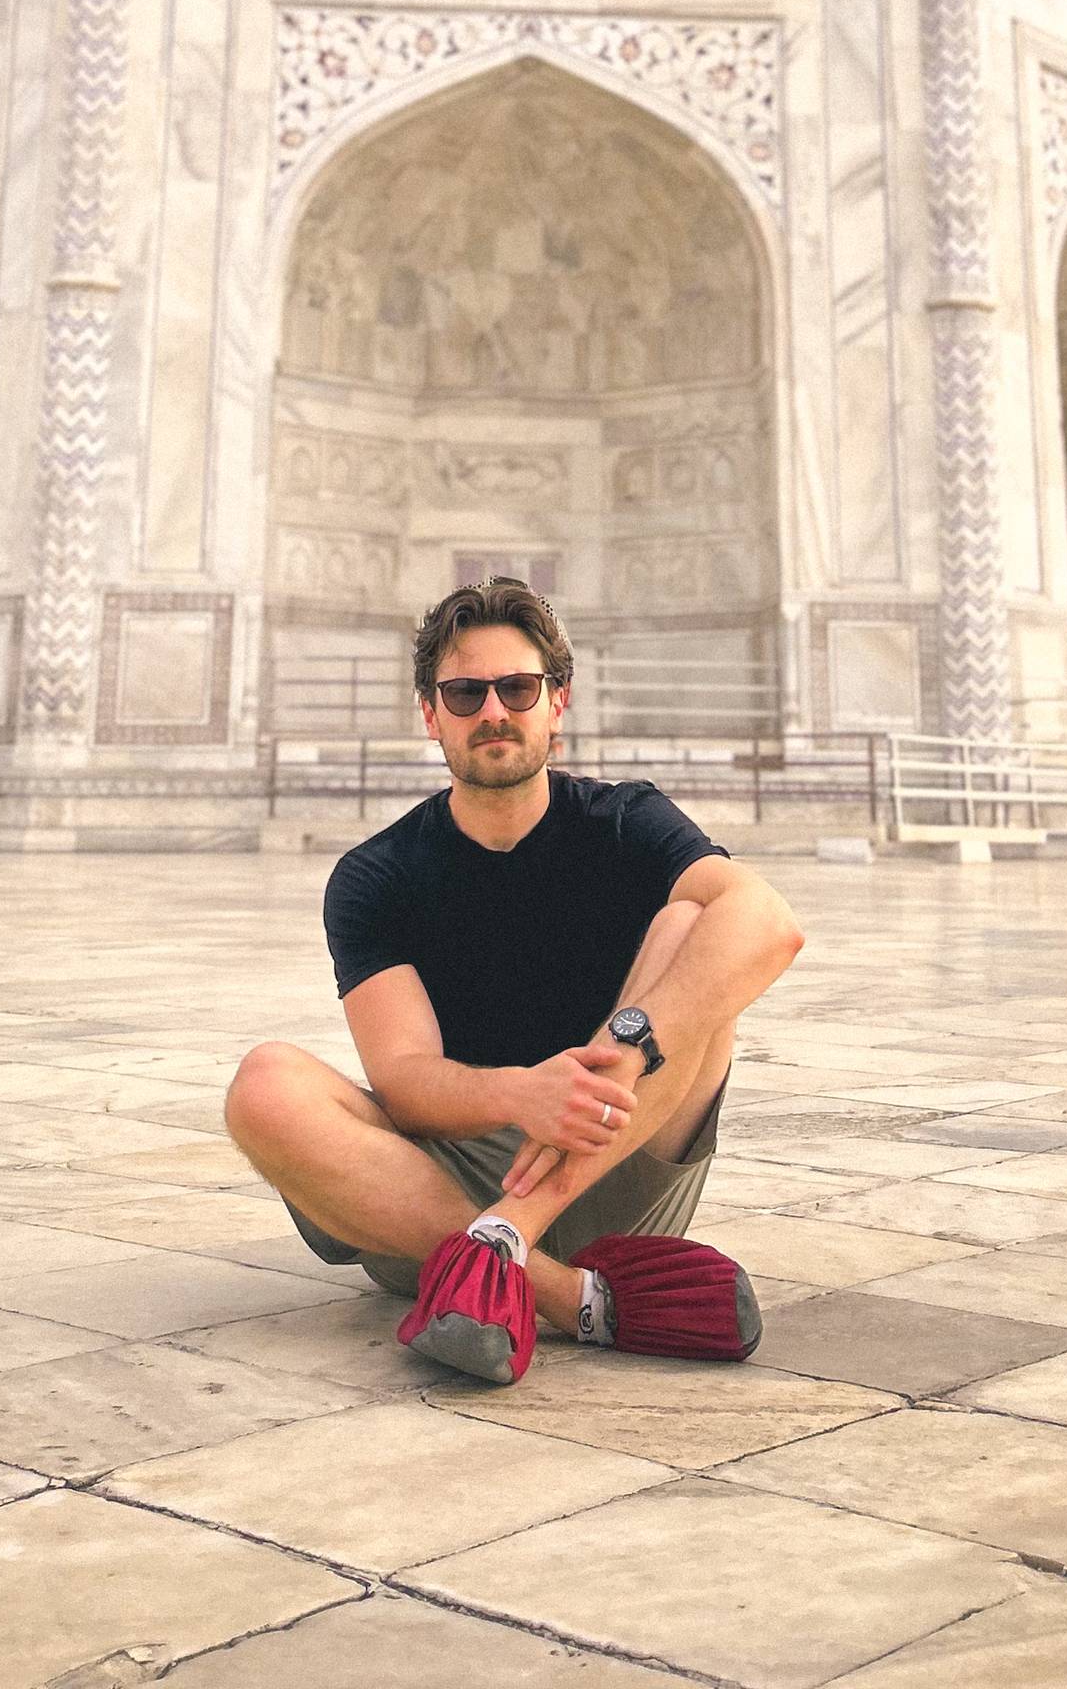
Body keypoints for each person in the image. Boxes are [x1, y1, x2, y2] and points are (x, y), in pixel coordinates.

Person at [224, 577, 805, 1386]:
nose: (492, 710)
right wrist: (520, 1094)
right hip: (431, 1198)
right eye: (465, 693)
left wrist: (627, 1053)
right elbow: (406, 1083)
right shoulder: (377, 877)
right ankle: (564, 1296)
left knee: (696, 926)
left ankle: (502, 1246)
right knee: (264, 1084)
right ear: (432, 714)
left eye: (517, 687)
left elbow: (770, 924)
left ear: (556, 702)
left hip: (616, 1158)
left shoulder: (625, 823)